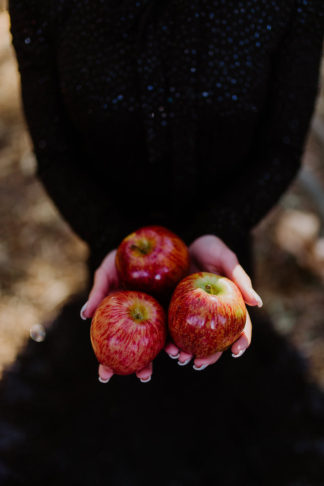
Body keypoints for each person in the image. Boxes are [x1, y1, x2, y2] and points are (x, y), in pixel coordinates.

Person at [6, 1, 324, 484]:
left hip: (220, 266)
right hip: (116, 266)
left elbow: (280, 149)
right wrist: (112, 240)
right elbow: (55, 155)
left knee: (225, 415)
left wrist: (220, 226)